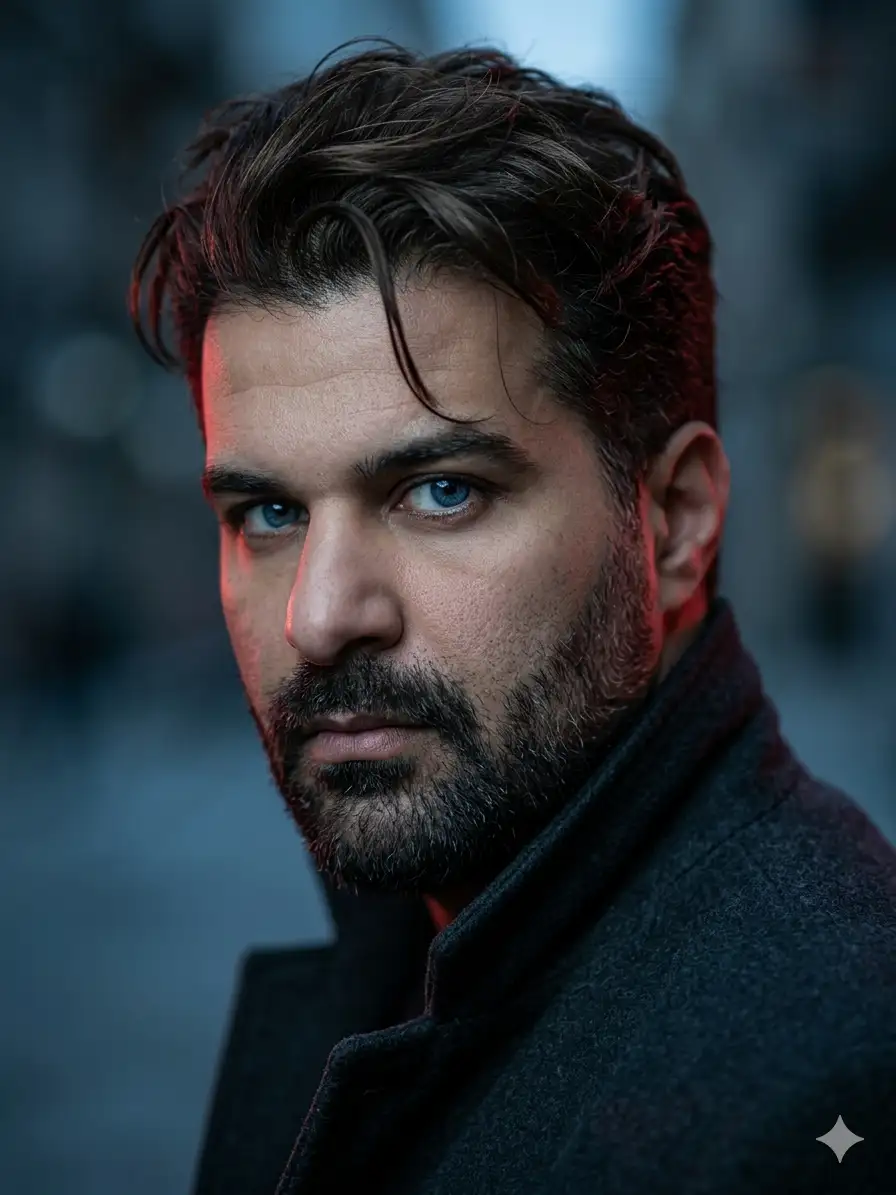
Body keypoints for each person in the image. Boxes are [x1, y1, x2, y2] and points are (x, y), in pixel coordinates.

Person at [129, 40, 896, 1195]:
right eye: (269, 512)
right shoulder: (413, 938)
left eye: (441, 491)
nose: (320, 617)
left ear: (675, 521)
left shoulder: (826, 1081)